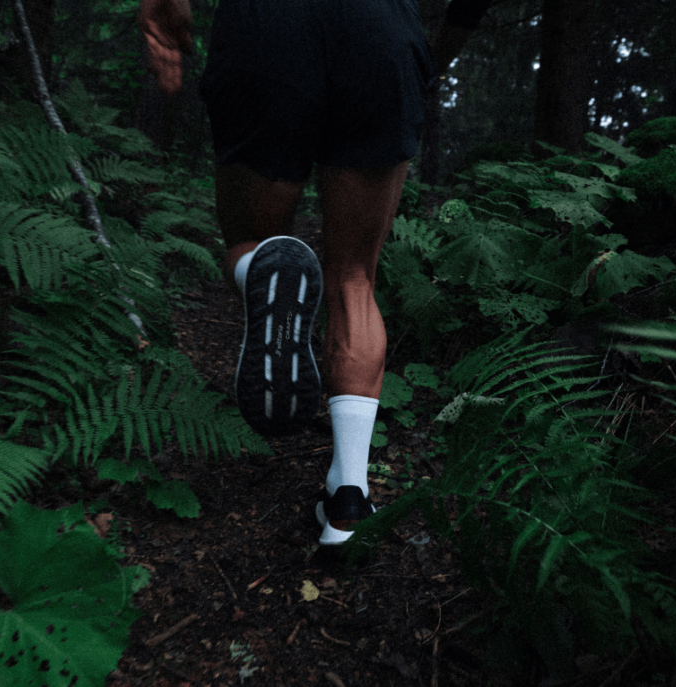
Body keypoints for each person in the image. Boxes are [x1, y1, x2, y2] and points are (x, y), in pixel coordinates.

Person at [138, 0, 493, 545]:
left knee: (250, 239)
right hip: (380, 28)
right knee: (354, 279)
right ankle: (349, 497)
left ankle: (259, 270)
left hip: (268, 25)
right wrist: (425, 56)